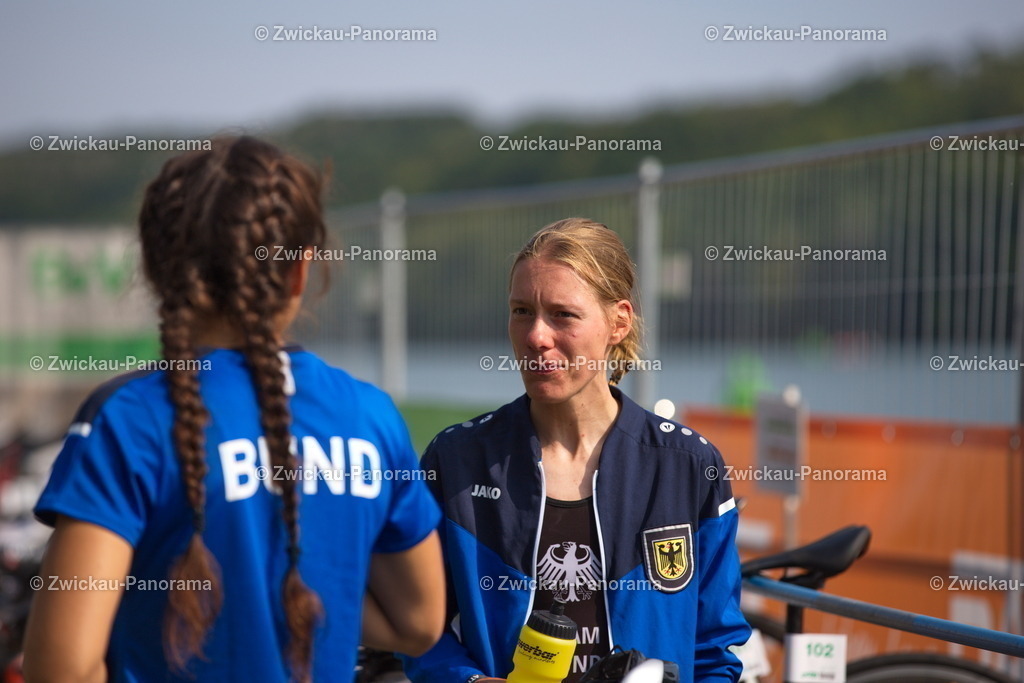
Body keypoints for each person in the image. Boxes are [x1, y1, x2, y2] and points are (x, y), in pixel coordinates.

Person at [22, 136, 445, 682]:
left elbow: (61, 670)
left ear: (157, 268)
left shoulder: (128, 419)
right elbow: (418, 623)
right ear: (300, 272)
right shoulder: (371, 417)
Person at [403, 218, 750, 683]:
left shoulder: (688, 465)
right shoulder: (457, 459)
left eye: (562, 315)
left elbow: (713, 650)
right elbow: (419, 627)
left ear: (617, 322)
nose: (536, 337)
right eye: (522, 311)